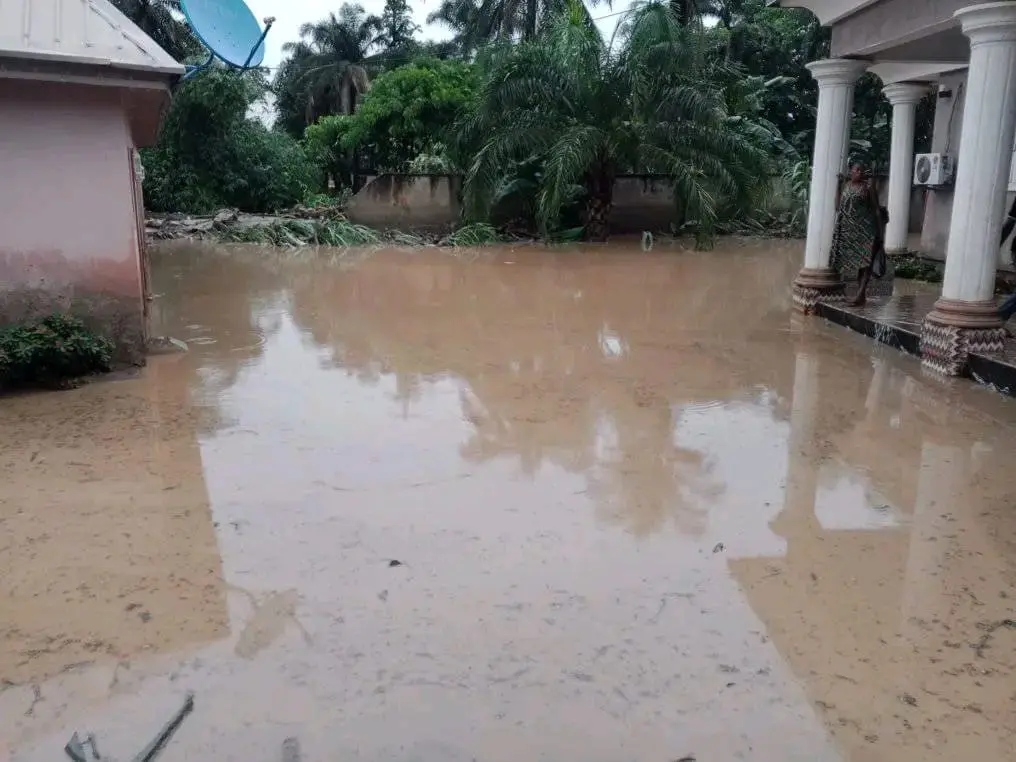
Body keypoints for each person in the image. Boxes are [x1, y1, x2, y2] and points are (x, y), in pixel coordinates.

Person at [831, 162, 884, 306]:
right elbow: (837, 207)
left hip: (867, 231)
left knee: (866, 263)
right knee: (858, 265)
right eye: (857, 170)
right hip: (851, 233)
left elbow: (877, 210)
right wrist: (838, 185)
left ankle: (860, 294)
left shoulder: (868, 187)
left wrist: (880, 233)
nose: (860, 172)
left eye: (861, 170)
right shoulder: (846, 186)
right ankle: (861, 297)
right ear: (851, 172)